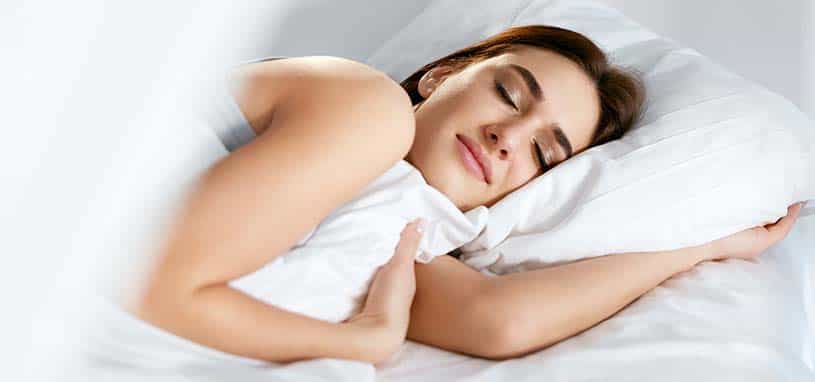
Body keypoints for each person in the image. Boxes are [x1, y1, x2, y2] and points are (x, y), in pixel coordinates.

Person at [128, 25, 805, 364]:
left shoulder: (406, 237)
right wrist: (366, 344)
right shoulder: (364, 107)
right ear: (441, 77)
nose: (508, 137)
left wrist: (709, 246)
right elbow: (153, 282)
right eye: (508, 94)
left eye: (544, 153)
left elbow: (498, 321)